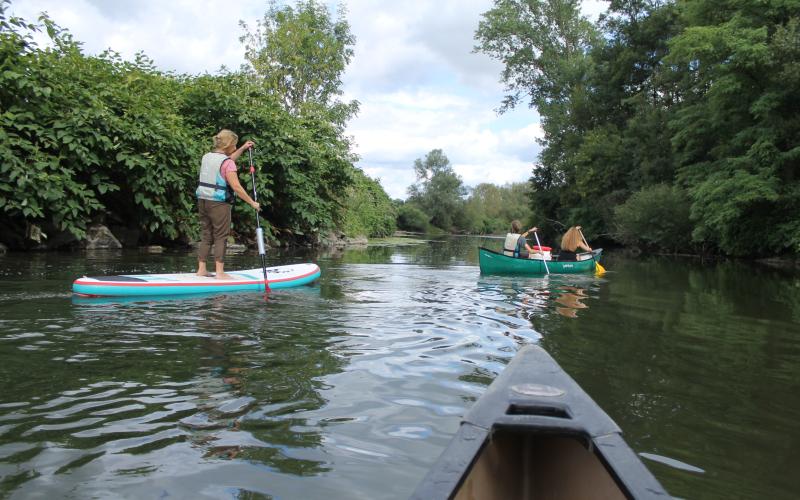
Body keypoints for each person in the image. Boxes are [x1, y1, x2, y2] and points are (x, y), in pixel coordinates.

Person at [195, 129, 260, 280]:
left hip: (203, 200)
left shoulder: (207, 157)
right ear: (229, 145)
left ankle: (201, 270)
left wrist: (243, 148)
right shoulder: (228, 163)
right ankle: (220, 272)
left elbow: (227, 160)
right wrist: (252, 203)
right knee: (221, 236)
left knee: (206, 235)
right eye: (235, 145)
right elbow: (236, 187)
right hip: (219, 203)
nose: (236, 148)